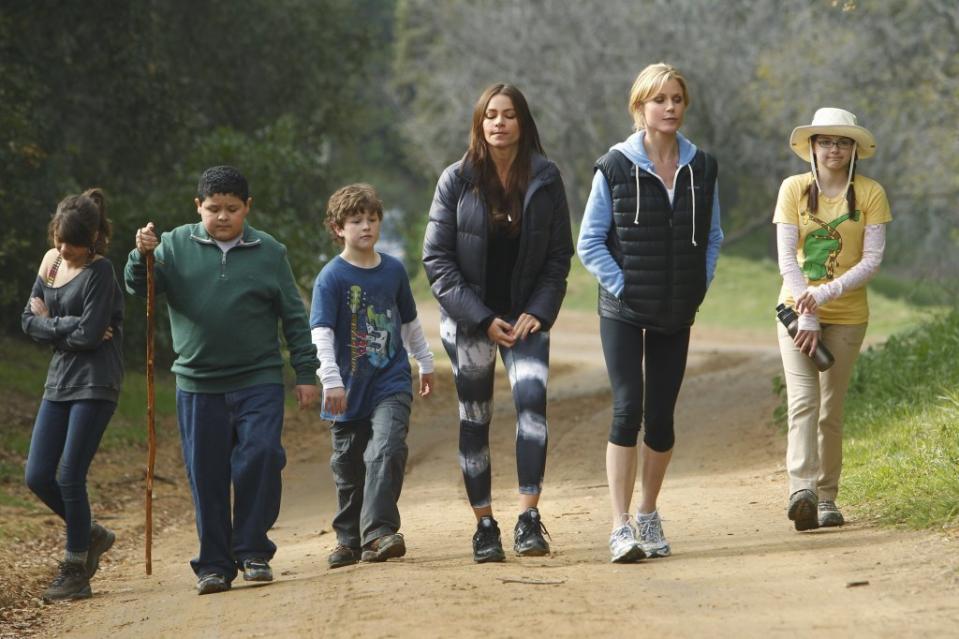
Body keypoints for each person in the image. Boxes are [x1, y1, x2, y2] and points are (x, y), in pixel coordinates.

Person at [124, 166, 320, 595]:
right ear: (199, 207)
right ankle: (213, 564)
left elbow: (293, 316)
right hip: (197, 384)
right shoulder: (173, 245)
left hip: (259, 378)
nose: (223, 217)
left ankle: (252, 549)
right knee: (206, 473)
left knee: (263, 455)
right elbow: (140, 286)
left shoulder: (270, 252)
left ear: (247, 207)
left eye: (233, 208)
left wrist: (306, 372)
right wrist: (142, 255)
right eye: (214, 209)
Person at [578, 63, 723, 563]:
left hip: (676, 309)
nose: (669, 108)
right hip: (622, 308)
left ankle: (648, 513)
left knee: (660, 418)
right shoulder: (614, 166)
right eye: (659, 100)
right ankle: (619, 526)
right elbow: (589, 242)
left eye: (677, 99)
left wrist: (697, 289)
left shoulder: (701, 167)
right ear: (639, 107)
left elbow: (713, 236)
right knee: (627, 407)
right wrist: (626, 286)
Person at [423, 83, 573, 563]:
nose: (500, 123)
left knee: (532, 404)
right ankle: (484, 525)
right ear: (479, 123)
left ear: (523, 123)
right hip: (471, 319)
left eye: (509, 115)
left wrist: (539, 311)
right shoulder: (456, 180)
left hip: (527, 317)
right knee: (475, 417)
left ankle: (528, 518)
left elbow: (557, 257)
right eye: (491, 115)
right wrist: (483, 318)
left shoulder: (547, 179)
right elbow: (437, 261)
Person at [774, 108, 890, 531]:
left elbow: (872, 260)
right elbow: (788, 255)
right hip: (796, 313)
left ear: (854, 148)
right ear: (812, 146)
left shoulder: (871, 193)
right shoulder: (794, 188)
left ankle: (827, 497)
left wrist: (823, 295)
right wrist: (806, 309)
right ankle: (801, 490)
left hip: (847, 314)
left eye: (842, 142)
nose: (834, 149)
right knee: (803, 400)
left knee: (830, 410)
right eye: (825, 141)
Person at [310, 183, 434, 569]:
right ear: (338, 228)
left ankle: (380, 532)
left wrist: (424, 362)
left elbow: (409, 322)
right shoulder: (331, 278)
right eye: (356, 220)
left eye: (372, 218)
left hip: (390, 382)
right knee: (348, 467)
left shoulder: (393, 271)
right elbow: (322, 333)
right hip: (346, 388)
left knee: (386, 449)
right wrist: (330, 380)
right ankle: (349, 539)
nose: (366, 226)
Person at [21, 188, 122, 601]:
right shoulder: (51, 262)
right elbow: (28, 320)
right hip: (60, 380)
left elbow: (88, 338)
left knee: (69, 476)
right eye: (60, 238)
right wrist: (67, 325)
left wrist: (57, 324)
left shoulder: (102, 272)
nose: (65, 248)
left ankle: (76, 569)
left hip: (97, 382)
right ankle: (92, 533)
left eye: (74, 242)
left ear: (94, 237)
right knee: (37, 475)